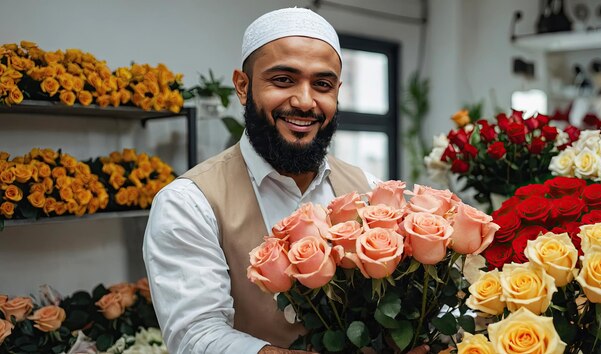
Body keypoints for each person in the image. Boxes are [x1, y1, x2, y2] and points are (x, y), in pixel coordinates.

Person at [143, 7, 428, 354]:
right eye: (283, 80)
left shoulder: (368, 188)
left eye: (322, 85)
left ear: (338, 92)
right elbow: (196, 337)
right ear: (243, 86)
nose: (305, 102)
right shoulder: (189, 202)